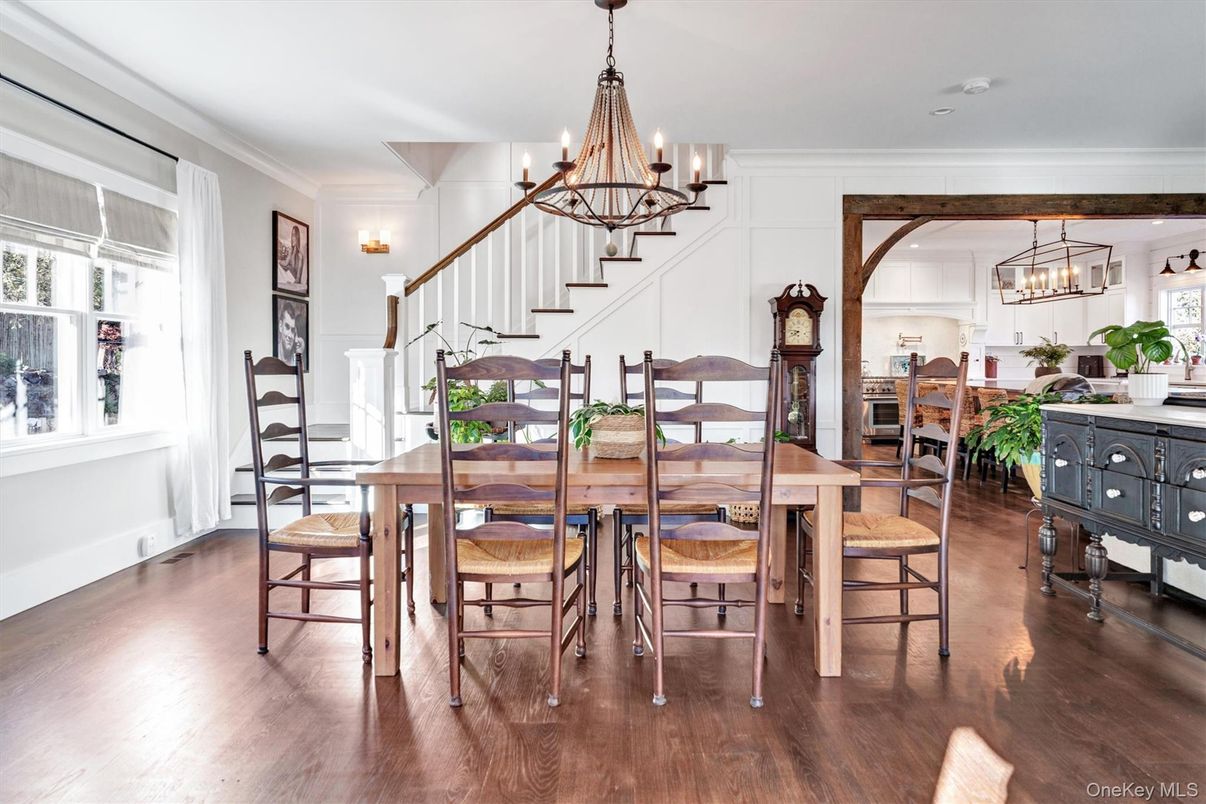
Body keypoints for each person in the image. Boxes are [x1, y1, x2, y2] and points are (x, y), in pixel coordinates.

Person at [277, 224, 306, 289]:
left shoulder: (300, 255)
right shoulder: (291, 251)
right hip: (287, 274)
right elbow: (285, 263)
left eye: (294, 235)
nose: (292, 238)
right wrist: (278, 261)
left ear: (297, 237)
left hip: (292, 278)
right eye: (292, 235)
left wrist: (293, 284)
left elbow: (298, 278)